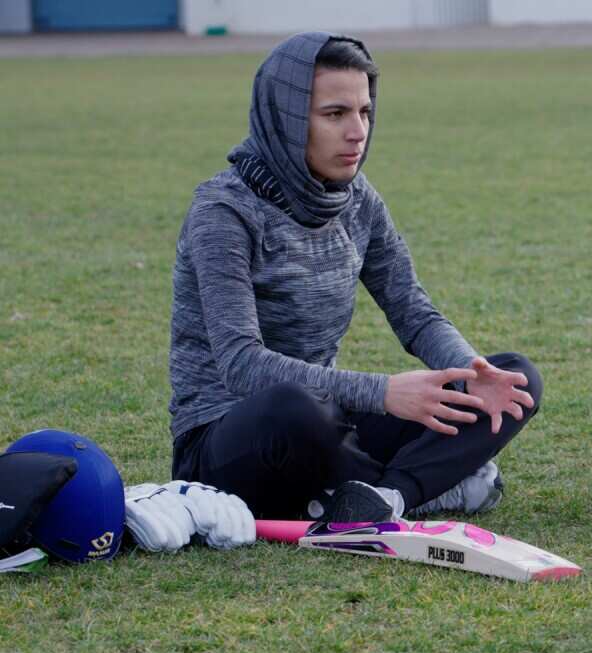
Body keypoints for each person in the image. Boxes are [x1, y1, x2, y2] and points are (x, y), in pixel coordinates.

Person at [168, 33, 541, 523]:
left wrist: (472, 372)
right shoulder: (224, 212)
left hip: (332, 419)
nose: (357, 131)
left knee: (518, 378)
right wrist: (383, 393)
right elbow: (241, 363)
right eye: (334, 114)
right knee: (296, 412)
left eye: (365, 112)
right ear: (285, 117)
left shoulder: (357, 199)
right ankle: (423, 486)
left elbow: (413, 312)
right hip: (236, 436)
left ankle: (386, 499)